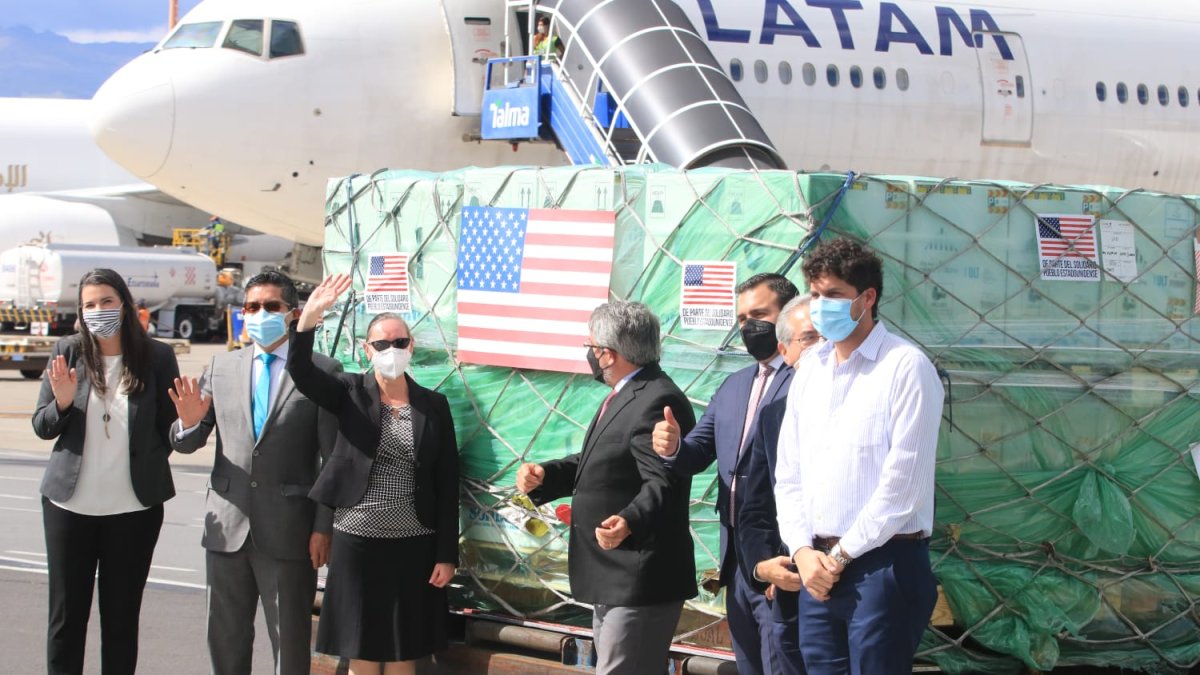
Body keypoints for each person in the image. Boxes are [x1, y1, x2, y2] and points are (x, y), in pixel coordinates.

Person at [775, 238, 944, 674]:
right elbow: (789, 474)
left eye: (833, 295)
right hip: (818, 570)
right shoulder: (811, 367)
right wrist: (801, 551)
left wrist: (841, 556)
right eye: (814, 294)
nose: (819, 305)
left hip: (883, 566)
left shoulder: (906, 368)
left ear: (867, 298)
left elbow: (901, 486)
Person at [167, 271, 341, 675]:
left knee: (290, 642)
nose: (259, 314)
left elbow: (333, 460)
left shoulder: (321, 371)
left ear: (293, 314)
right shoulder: (220, 366)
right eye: (252, 307)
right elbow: (187, 442)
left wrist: (323, 527)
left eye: (270, 307)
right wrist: (188, 425)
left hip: (289, 532)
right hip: (226, 529)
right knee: (225, 638)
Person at [288, 273, 459, 675]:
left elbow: (447, 482)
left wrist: (447, 555)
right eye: (382, 344)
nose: (392, 350)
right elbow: (300, 371)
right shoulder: (347, 392)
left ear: (411, 347)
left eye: (400, 342)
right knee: (360, 648)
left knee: (402, 650)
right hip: (357, 541)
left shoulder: (434, 406)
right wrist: (308, 318)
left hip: (415, 544)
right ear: (367, 350)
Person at [517, 300, 697, 675]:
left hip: (638, 576)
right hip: (612, 574)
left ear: (607, 354)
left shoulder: (657, 399)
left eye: (590, 346)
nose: (589, 355)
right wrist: (544, 476)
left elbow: (665, 481)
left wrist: (629, 520)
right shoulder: (628, 395)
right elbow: (599, 463)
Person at [32, 268, 181, 674]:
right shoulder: (67, 350)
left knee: (120, 620)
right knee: (66, 619)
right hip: (69, 506)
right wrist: (61, 404)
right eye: (90, 305)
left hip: (133, 509)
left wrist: (190, 423)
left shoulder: (156, 356)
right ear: (81, 311)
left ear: (125, 304)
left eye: (107, 302)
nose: (99, 310)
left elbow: (172, 431)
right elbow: (43, 426)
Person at [650, 272, 798, 675]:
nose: (750, 326)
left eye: (760, 314)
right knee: (748, 660)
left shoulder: (808, 381)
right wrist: (674, 445)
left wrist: (785, 556)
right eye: (742, 318)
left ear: (789, 315)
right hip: (735, 558)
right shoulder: (734, 385)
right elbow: (698, 451)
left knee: (783, 661)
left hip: (782, 558)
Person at [736, 296, 822, 675]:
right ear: (786, 351)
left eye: (828, 337)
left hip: (851, 585)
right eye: (810, 339)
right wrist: (763, 566)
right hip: (790, 598)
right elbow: (754, 508)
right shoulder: (774, 415)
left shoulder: (870, 403)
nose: (823, 349)